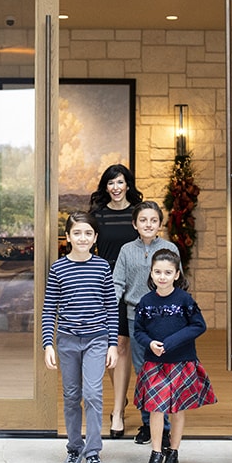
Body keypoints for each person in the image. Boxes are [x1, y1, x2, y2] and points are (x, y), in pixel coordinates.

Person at [42, 212, 118, 463]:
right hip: (67, 341)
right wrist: (47, 343)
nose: (82, 238)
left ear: (95, 237)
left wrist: (112, 344)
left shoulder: (101, 267)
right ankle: (74, 449)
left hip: (97, 339)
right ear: (68, 237)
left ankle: (94, 453)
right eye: (77, 233)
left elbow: (111, 306)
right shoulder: (58, 268)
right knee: (72, 396)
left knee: (93, 394)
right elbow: (49, 307)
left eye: (88, 233)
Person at [132, 248, 216, 463]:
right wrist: (150, 344)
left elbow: (199, 326)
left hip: (181, 362)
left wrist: (170, 342)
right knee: (156, 408)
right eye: (157, 272)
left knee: (177, 410)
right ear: (151, 273)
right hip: (155, 363)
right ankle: (156, 454)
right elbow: (138, 331)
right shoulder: (145, 302)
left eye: (167, 272)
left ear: (176, 274)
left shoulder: (184, 300)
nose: (162, 276)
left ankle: (173, 453)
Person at [113, 200, 177, 447]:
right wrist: (109, 306)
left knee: (164, 370)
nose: (148, 224)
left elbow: (177, 281)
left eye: (153, 220)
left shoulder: (170, 248)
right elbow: (118, 282)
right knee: (144, 372)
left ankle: (165, 427)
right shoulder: (127, 250)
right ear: (134, 224)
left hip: (164, 318)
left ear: (160, 223)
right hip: (135, 317)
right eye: (143, 220)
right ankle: (149, 424)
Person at [88, 164, 144, 439]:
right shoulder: (97, 215)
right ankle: (119, 402)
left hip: (134, 283)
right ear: (106, 187)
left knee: (127, 346)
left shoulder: (138, 212)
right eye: (111, 183)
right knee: (114, 344)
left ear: (127, 184)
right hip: (105, 283)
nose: (116, 187)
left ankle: (120, 407)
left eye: (120, 182)